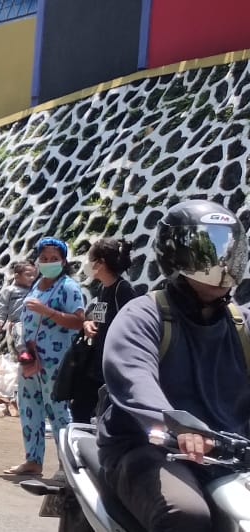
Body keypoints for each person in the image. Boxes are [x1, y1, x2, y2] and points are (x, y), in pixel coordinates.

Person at [98, 200, 250, 531]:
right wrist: (175, 423)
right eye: (208, 253)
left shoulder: (243, 326)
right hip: (149, 449)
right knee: (186, 517)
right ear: (175, 255)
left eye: (228, 252)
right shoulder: (143, 313)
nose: (221, 265)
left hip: (232, 454)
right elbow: (134, 377)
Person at [4, 236, 86, 477]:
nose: (48, 262)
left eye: (54, 259)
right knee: (30, 408)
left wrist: (48, 312)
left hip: (55, 361)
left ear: (63, 261)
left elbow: (78, 321)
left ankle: (67, 465)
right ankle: (33, 459)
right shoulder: (37, 284)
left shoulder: (69, 287)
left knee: (58, 411)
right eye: (44, 258)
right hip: (31, 358)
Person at [68, 238, 137, 423]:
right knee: (80, 412)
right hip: (97, 364)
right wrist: (87, 324)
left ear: (100, 263)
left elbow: (133, 328)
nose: (88, 264)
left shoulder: (123, 290)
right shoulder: (103, 289)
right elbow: (98, 320)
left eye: (90, 258)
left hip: (114, 367)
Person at [0, 261, 37, 353]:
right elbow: (3, 305)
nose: (32, 278)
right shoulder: (10, 290)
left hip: (32, 320)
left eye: (34, 275)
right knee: (19, 334)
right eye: (28, 275)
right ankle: (23, 353)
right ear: (17, 276)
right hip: (17, 321)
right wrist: (1, 319)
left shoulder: (33, 290)